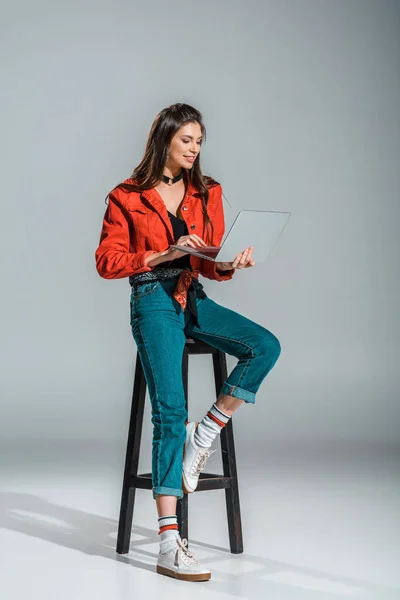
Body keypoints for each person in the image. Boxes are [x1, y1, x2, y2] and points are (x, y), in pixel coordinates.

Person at [95, 103, 281, 582]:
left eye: (200, 141)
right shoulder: (127, 196)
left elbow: (208, 262)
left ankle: (205, 435)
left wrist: (228, 264)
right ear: (165, 139)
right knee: (170, 412)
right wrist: (163, 252)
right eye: (187, 141)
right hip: (152, 297)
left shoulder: (207, 191)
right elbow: (107, 260)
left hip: (191, 295)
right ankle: (167, 542)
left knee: (264, 345)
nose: (195, 149)